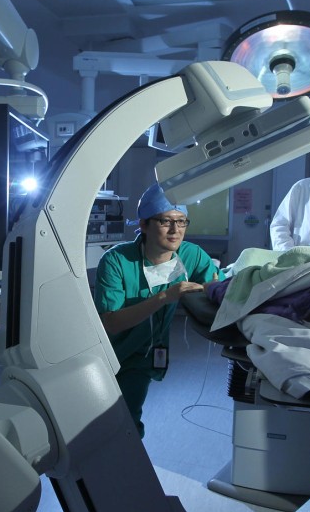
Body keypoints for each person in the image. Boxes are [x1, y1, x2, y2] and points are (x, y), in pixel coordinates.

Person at [93, 183, 219, 438]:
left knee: (128, 421)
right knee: (109, 424)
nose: (176, 230)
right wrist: (165, 297)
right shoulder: (117, 261)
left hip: (147, 355)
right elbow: (111, 323)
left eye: (182, 222)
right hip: (112, 355)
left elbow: (217, 285)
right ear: (143, 225)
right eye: (165, 221)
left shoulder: (190, 254)